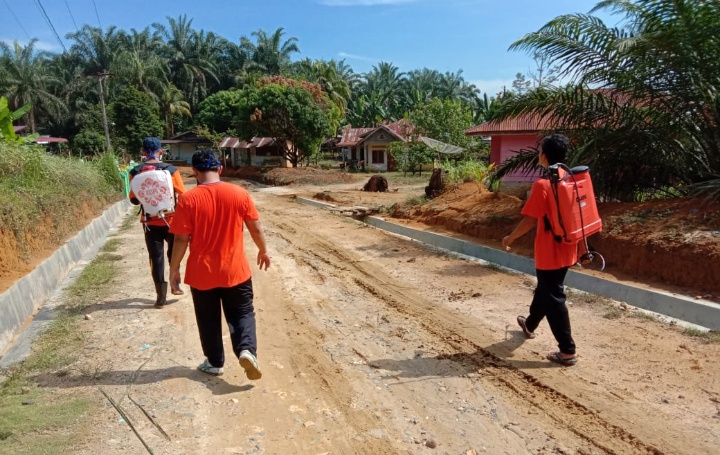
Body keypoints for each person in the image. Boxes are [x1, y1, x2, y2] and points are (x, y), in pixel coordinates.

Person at [168, 149, 270, 380]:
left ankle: (214, 362)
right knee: (242, 312)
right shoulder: (239, 193)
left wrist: (174, 268)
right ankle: (246, 350)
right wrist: (263, 251)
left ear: (194, 171)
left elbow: (181, 239)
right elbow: (255, 227)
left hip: (202, 273)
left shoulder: (188, 199)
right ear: (220, 169)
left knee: (208, 318)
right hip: (235, 271)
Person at [501, 133, 579, 366]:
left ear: (544, 155)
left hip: (549, 252)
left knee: (554, 296)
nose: (538, 154)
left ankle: (568, 351)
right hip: (569, 247)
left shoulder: (543, 184)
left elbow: (530, 220)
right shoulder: (571, 178)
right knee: (546, 289)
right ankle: (530, 324)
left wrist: (509, 237)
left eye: (539, 150)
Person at [129, 137, 186, 308]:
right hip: (172, 221)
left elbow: (134, 200)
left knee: (156, 258)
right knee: (173, 256)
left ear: (143, 153)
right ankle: (175, 285)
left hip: (150, 223)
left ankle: (160, 296)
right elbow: (182, 194)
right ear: (161, 151)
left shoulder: (135, 172)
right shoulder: (171, 170)